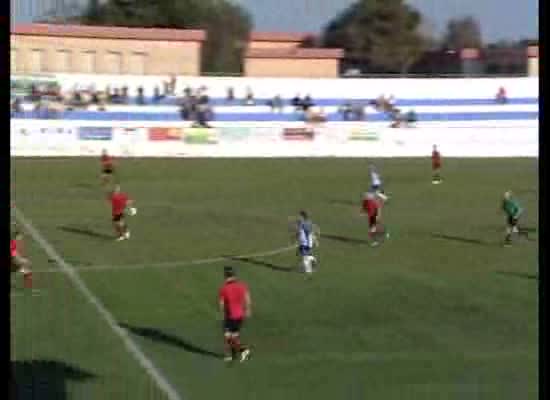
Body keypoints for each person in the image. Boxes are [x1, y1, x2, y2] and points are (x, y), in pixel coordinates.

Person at [219, 266, 252, 363]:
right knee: (234, 336)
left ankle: (244, 350)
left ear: (225, 276)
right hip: (240, 315)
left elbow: (221, 304)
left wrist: (223, 315)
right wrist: (248, 309)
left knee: (228, 336)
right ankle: (233, 356)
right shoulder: (242, 285)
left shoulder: (224, 289)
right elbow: (247, 298)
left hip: (230, 316)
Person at [296, 211, 318, 276]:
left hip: (305, 243)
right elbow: (301, 232)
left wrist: (313, 241)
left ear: (303, 217)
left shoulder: (305, 224)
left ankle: (309, 271)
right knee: (303, 254)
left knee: (305, 256)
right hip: (304, 242)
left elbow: (308, 232)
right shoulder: (303, 223)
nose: (298, 217)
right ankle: (313, 260)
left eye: (299, 216)